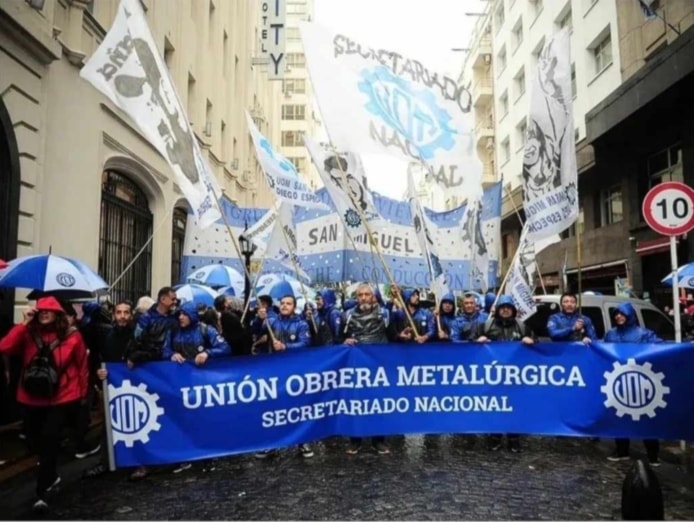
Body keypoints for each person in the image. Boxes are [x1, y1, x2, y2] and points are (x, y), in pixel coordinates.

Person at [0, 297, 88, 511]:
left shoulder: (73, 336)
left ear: (57, 314)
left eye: (48, 311)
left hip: (60, 397)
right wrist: (23, 324)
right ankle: (50, 475)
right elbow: (5, 347)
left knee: (50, 441)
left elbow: (81, 366)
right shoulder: (29, 333)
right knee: (34, 441)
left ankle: (43, 489)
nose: (43, 314)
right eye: (40, 311)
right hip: (30, 397)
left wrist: (82, 395)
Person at [125, 287, 178, 481]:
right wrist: (137, 356)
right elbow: (137, 341)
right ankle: (145, 461)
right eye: (172, 298)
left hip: (167, 372)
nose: (175, 301)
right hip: (149, 371)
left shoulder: (173, 319)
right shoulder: (146, 318)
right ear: (163, 299)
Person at [475, 295, 535, 453]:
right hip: (493, 377)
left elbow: (536, 350)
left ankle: (513, 438)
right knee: (495, 407)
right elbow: (471, 348)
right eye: (503, 307)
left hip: (516, 377)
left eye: (509, 307)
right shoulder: (486, 326)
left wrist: (531, 341)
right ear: (498, 310)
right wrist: (478, 341)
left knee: (514, 407)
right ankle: (494, 437)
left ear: (513, 310)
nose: (506, 310)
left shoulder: (522, 327)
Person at [256, 293, 313, 459]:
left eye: (288, 303)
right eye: (282, 303)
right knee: (274, 408)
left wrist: (285, 346)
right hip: (274, 371)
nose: (284, 306)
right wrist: (260, 320)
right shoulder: (272, 321)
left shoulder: (301, 324)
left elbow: (305, 343)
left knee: (298, 407)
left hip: (295, 371)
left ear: (294, 307)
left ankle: (303, 441)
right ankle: (272, 443)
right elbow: (256, 331)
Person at [605, 303, 662, 465]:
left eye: (622, 313)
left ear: (630, 315)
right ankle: (622, 450)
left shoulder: (643, 334)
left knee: (646, 417)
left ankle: (653, 454)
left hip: (641, 381)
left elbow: (661, 347)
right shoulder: (611, 334)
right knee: (620, 416)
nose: (618, 317)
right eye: (616, 314)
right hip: (619, 382)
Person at [83, 300, 135, 478]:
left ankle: (138, 461)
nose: (122, 316)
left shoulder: (137, 335)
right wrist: (99, 372)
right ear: (113, 315)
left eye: (125, 313)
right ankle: (105, 461)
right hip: (112, 386)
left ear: (131, 315)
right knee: (108, 425)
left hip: (136, 387)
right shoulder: (106, 335)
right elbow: (98, 358)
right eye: (119, 312)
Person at [342, 283, 392, 455]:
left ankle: (378, 440)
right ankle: (355, 439)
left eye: (367, 294)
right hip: (356, 367)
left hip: (379, 366)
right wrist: (345, 341)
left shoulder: (385, 314)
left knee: (378, 404)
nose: (363, 297)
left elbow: (394, 333)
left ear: (373, 296)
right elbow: (337, 337)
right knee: (356, 404)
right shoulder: (347, 315)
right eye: (360, 295)